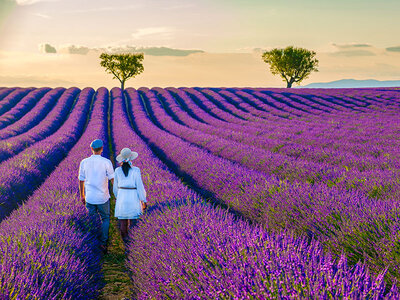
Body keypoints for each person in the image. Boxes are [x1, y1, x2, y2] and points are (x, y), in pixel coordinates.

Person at [78, 139, 115, 254]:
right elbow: (112, 179)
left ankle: (92, 243)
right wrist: (117, 193)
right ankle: (103, 243)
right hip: (103, 197)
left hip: (90, 197)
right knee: (105, 219)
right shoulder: (106, 162)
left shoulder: (84, 162)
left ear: (92, 149)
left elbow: (81, 180)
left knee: (91, 220)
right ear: (102, 149)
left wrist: (82, 195)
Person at [113, 147, 147, 244]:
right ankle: (133, 244)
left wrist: (118, 198)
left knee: (123, 222)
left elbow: (115, 188)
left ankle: (125, 242)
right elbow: (140, 186)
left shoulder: (117, 171)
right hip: (133, 197)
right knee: (133, 221)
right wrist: (143, 200)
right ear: (131, 158)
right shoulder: (136, 170)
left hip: (122, 196)